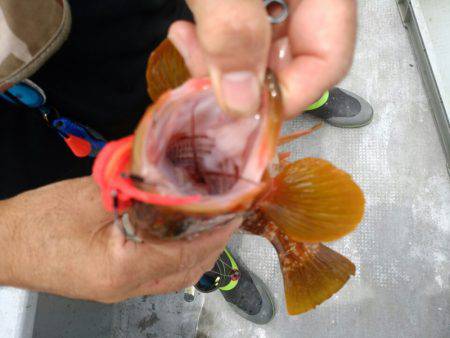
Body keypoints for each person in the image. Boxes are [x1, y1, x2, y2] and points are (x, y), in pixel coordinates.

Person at [0, 0, 369, 325]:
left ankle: (297, 87)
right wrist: (12, 244)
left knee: (220, 56)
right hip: (31, 146)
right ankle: (216, 271)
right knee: (164, 239)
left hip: (108, 26)